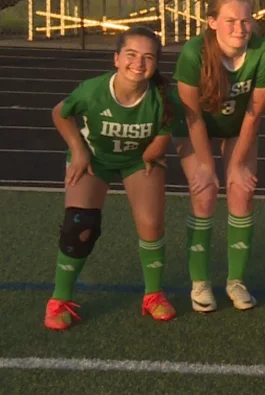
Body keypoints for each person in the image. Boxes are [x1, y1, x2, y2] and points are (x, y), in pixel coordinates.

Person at [44, 26, 176, 330]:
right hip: (95, 159)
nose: (138, 63)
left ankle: (153, 294)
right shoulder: (93, 90)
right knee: (79, 225)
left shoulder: (164, 97)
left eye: (148, 57)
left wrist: (155, 151)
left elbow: (168, 126)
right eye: (131, 54)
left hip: (138, 160)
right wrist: (78, 149)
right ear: (116, 58)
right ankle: (59, 299)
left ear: (156, 63)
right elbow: (59, 112)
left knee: (151, 224)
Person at [173, 0, 265, 312]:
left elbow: (254, 114)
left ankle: (236, 281)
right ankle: (200, 283)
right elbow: (192, 115)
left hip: (237, 127)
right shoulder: (193, 53)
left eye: (246, 20)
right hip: (196, 127)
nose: (240, 28)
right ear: (212, 22)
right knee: (204, 192)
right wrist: (207, 166)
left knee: (241, 191)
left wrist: (236, 166)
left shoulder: (263, 51)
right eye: (230, 20)